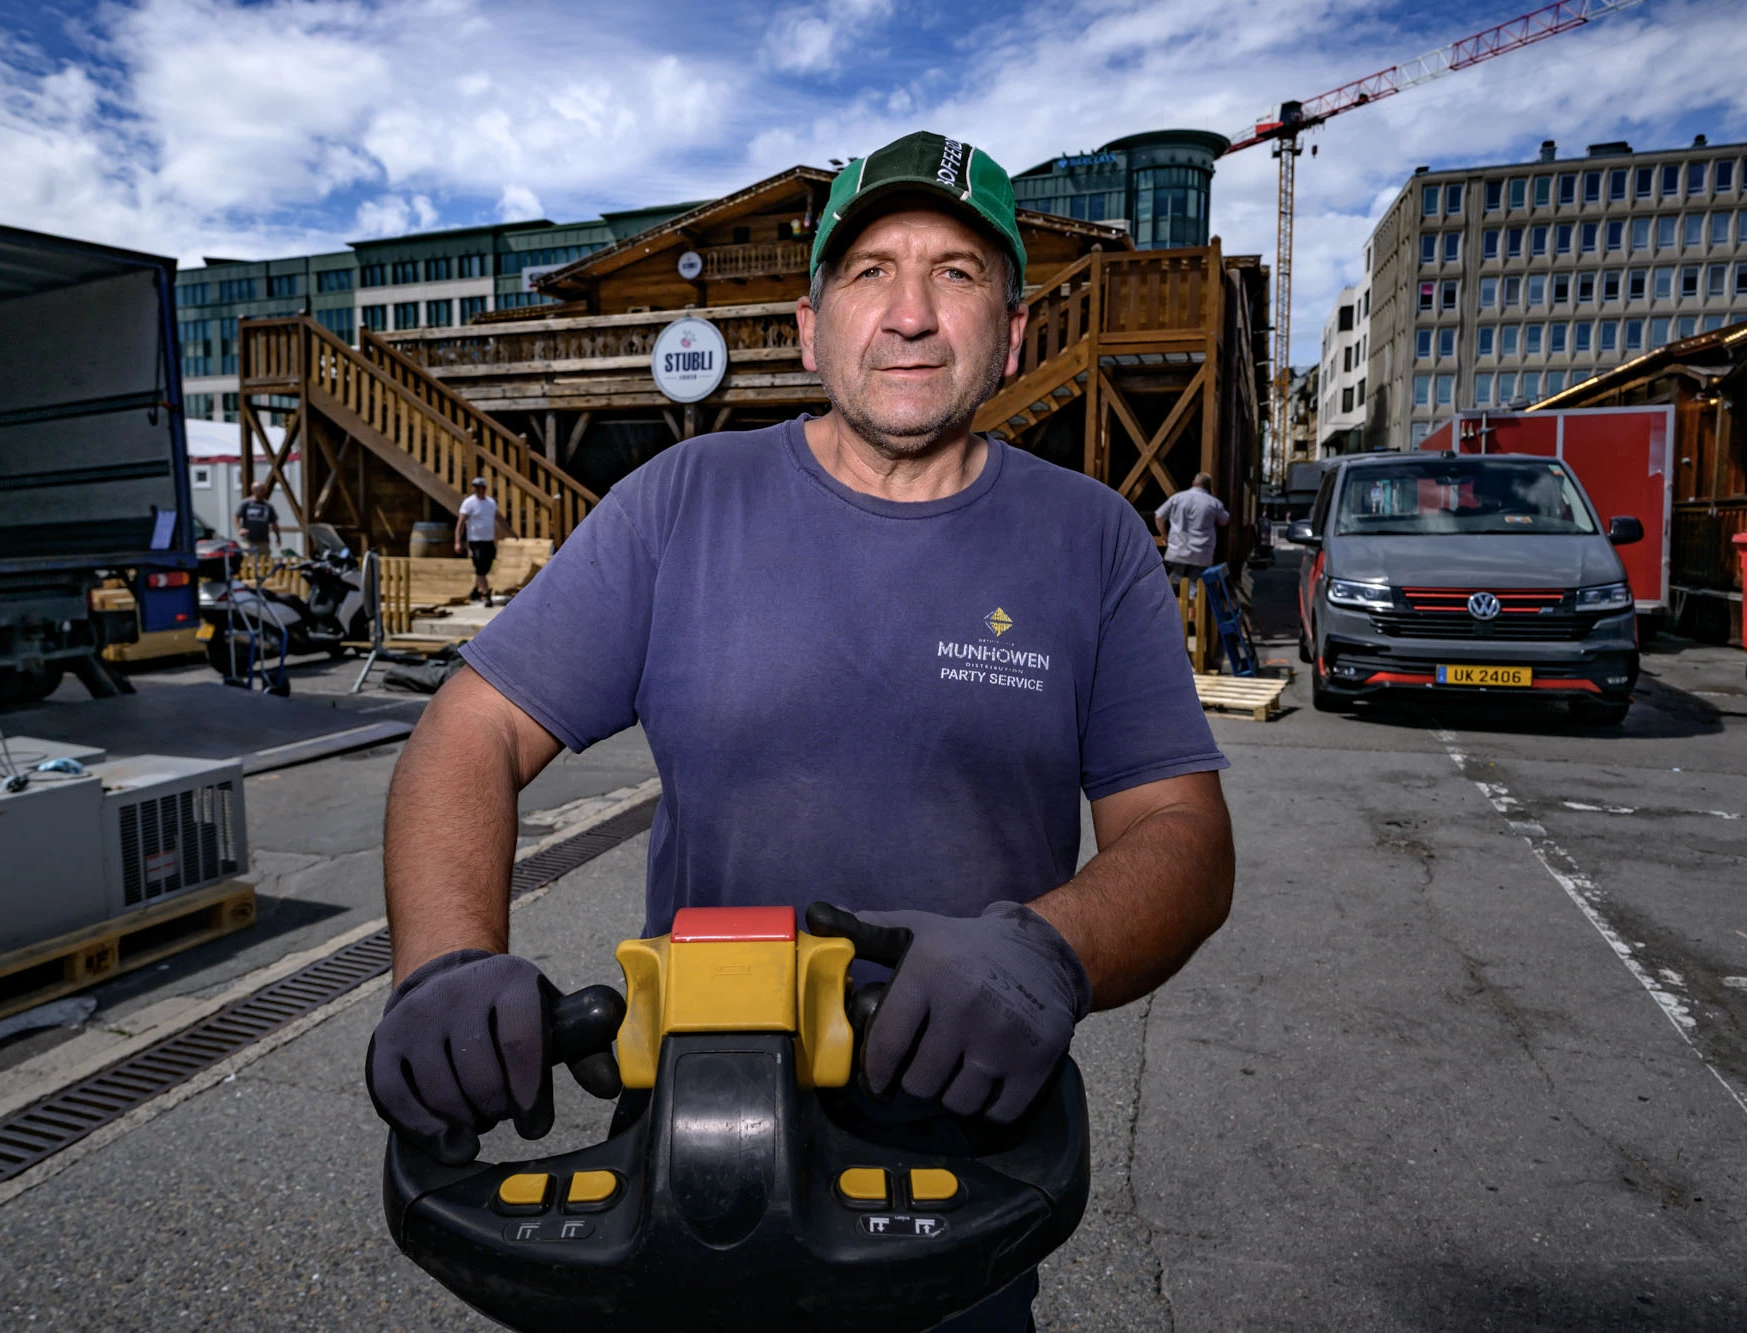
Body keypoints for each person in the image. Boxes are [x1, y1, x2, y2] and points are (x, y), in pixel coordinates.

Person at [366, 131, 1235, 1333]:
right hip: (687, 1149)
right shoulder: (682, 505)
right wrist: (448, 962)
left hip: (954, 1185)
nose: (912, 313)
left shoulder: (1089, 542)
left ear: (1014, 330)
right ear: (806, 322)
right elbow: (467, 733)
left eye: (958, 273)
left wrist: (1052, 948)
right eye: (870, 271)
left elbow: (1181, 829)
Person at [1153, 472, 1230, 587]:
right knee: (1194, 585)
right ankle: (1192, 604)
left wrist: (1164, 535)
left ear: (1193, 483)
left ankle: (1172, 603)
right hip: (1201, 553)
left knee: (1173, 581)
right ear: (1209, 486)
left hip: (1177, 550)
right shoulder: (1213, 503)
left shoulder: (1177, 498)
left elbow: (1159, 517)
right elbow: (1224, 521)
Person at [454, 476, 509, 606]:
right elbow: (461, 522)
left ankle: (475, 590)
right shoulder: (469, 503)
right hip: (475, 540)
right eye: (476, 487)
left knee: (486, 567)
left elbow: (500, 519)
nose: (478, 490)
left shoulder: (490, 503)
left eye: (480, 487)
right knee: (479, 567)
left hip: (488, 540)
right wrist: (457, 541)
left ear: (484, 488)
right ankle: (486, 595)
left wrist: (511, 532)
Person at [234, 478, 280, 556]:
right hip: (249, 540)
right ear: (254, 491)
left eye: (263, 490)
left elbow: (274, 523)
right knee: (249, 564)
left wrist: (278, 536)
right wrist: (240, 529)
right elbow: (236, 517)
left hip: (263, 540)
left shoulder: (268, 506)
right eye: (261, 490)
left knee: (264, 563)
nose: (263, 492)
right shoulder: (247, 503)